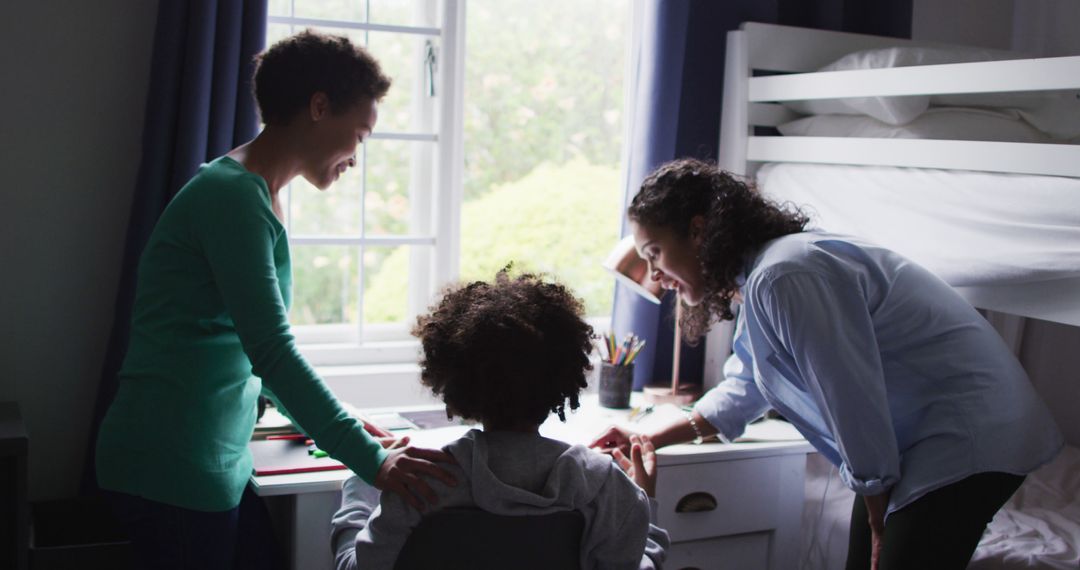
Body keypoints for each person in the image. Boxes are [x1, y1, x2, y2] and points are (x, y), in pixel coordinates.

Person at [590, 157, 1064, 570]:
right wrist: (652, 437)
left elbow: (851, 399)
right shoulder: (763, 279)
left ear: (698, 231)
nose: (653, 275)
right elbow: (747, 387)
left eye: (654, 254)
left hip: (970, 433)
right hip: (920, 441)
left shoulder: (784, 276)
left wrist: (879, 516)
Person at [95, 30, 454, 569]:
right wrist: (371, 461)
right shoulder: (232, 198)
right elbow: (273, 353)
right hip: (172, 462)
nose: (357, 156)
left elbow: (250, 354)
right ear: (318, 106)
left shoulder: (257, 196)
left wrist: (351, 424)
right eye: (359, 134)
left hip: (213, 460)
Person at [330, 270, 671, 569]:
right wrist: (646, 505)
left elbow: (356, 567)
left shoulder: (422, 484)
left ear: (454, 384)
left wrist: (362, 474)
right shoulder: (606, 487)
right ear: (563, 379)